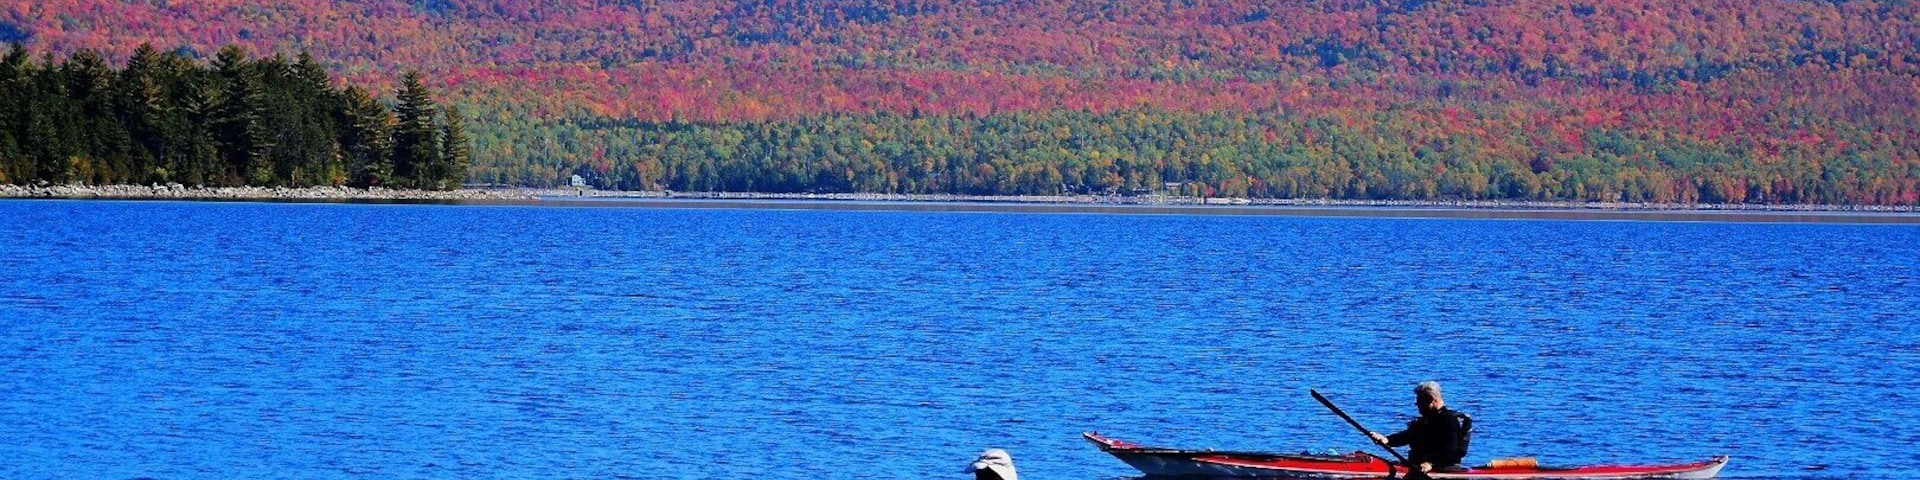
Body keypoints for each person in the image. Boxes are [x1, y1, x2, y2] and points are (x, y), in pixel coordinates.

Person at [1367, 381, 1472, 473]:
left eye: (1419, 401)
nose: (1416, 404)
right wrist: (1386, 440)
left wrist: (1431, 464)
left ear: (1431, 400)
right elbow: (1409, 436)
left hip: (1442, 467)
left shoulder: (1449, 419)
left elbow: (1451, 451)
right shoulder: (1426, 420)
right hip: (1417, 465)